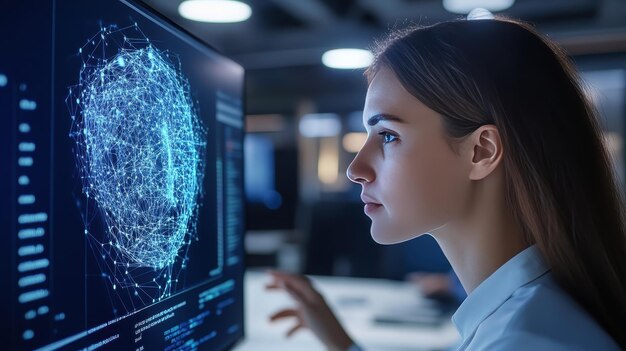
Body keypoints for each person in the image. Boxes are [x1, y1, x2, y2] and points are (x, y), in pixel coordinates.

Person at [266, 16, 626, 351]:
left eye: (388, 136)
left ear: (481, 151)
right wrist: (342, 344)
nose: (355, 169)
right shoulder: (528, 316)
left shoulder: (523, 340)